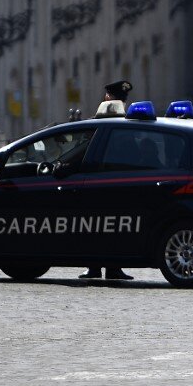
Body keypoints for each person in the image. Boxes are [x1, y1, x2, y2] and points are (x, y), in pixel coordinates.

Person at [80, 80, 135, 281]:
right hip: (117, 184)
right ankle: (112, 267)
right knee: (113, 227)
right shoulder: (127, 126)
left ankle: (95, 267)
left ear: (107, 98)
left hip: (96, 183)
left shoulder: (96, 125)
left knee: (94, 226)